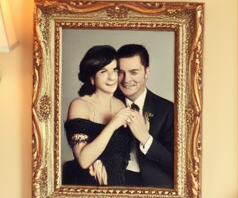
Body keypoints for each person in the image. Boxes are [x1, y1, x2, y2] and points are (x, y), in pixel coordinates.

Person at [63, 46, 136, 186]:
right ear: (92, 78)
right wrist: (113, 124)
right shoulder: (80, 105)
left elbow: (122, 153)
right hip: (86, 183)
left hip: (117, 183)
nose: (112, 77)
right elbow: (84, 161)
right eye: (103, 71)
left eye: (115, 70)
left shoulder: (121, 105)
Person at [114, 42, 175, 189]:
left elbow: (177, 165)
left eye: (133, 72)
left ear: (147, 72)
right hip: (113, 183)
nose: (126, 79)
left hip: (153, 187)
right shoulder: (107, 104)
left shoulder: (167, 109)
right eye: (121, 72)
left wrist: (146, 139)